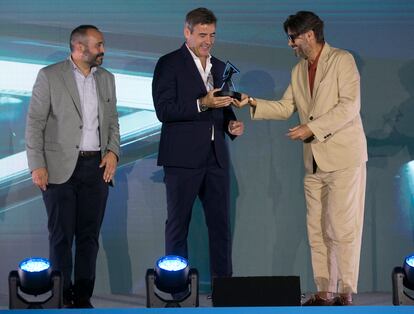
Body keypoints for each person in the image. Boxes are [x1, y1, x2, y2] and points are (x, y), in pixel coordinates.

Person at [233, 11, 367, 306]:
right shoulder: (298, 70)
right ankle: (324, 291)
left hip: (344, 156)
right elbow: (285, 107)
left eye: (292, 38)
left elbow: (349, 107)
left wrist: (312, 128)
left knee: (342, 226)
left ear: (309, 35)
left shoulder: (342, 60)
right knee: (316, 228)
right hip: (314, 160)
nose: (290, 44)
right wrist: (251, 101)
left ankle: (345, 292)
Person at [25, 25, 120, 308]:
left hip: (97, 167)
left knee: (89, 238)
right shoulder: (50, 76)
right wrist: (37, 165)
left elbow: (113, 121)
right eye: (98, 45)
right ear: (80, 48)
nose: (103, 50)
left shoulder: (107, 79)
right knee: (61, 237)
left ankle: (82, 298)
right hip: (58, 169)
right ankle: (61, 296)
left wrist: (113, 151)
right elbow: (35, 123)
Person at [152, 7, 244, 283]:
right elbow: (164, 110)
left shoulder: (218, 66)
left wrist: (231, 125)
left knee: (220, 226)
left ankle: (224, 287)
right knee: (178, 225)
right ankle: (174, 288)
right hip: (181, 159)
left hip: (216, 158)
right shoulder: (169, 63)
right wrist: (202, 103)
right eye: (202, 34)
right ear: (187, 32)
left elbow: (222, 105)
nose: (208, 41)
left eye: (212, 35)